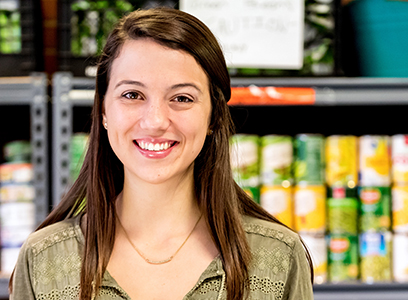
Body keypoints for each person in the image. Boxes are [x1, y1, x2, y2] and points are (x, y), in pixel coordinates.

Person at [10, 7, 314, 300]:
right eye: (132, 95)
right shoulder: (43, 259)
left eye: (182, 98)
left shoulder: (279, 257)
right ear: (103, 111)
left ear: (213, 117)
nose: (155, 121)